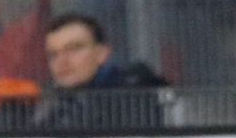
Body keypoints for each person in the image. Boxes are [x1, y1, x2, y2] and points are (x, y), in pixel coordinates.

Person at [36, 12, 167, 131]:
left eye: (74, 49)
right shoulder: (51, 109)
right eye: (53, 54)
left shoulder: (135, 96)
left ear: (102, 54)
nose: (61, 61)